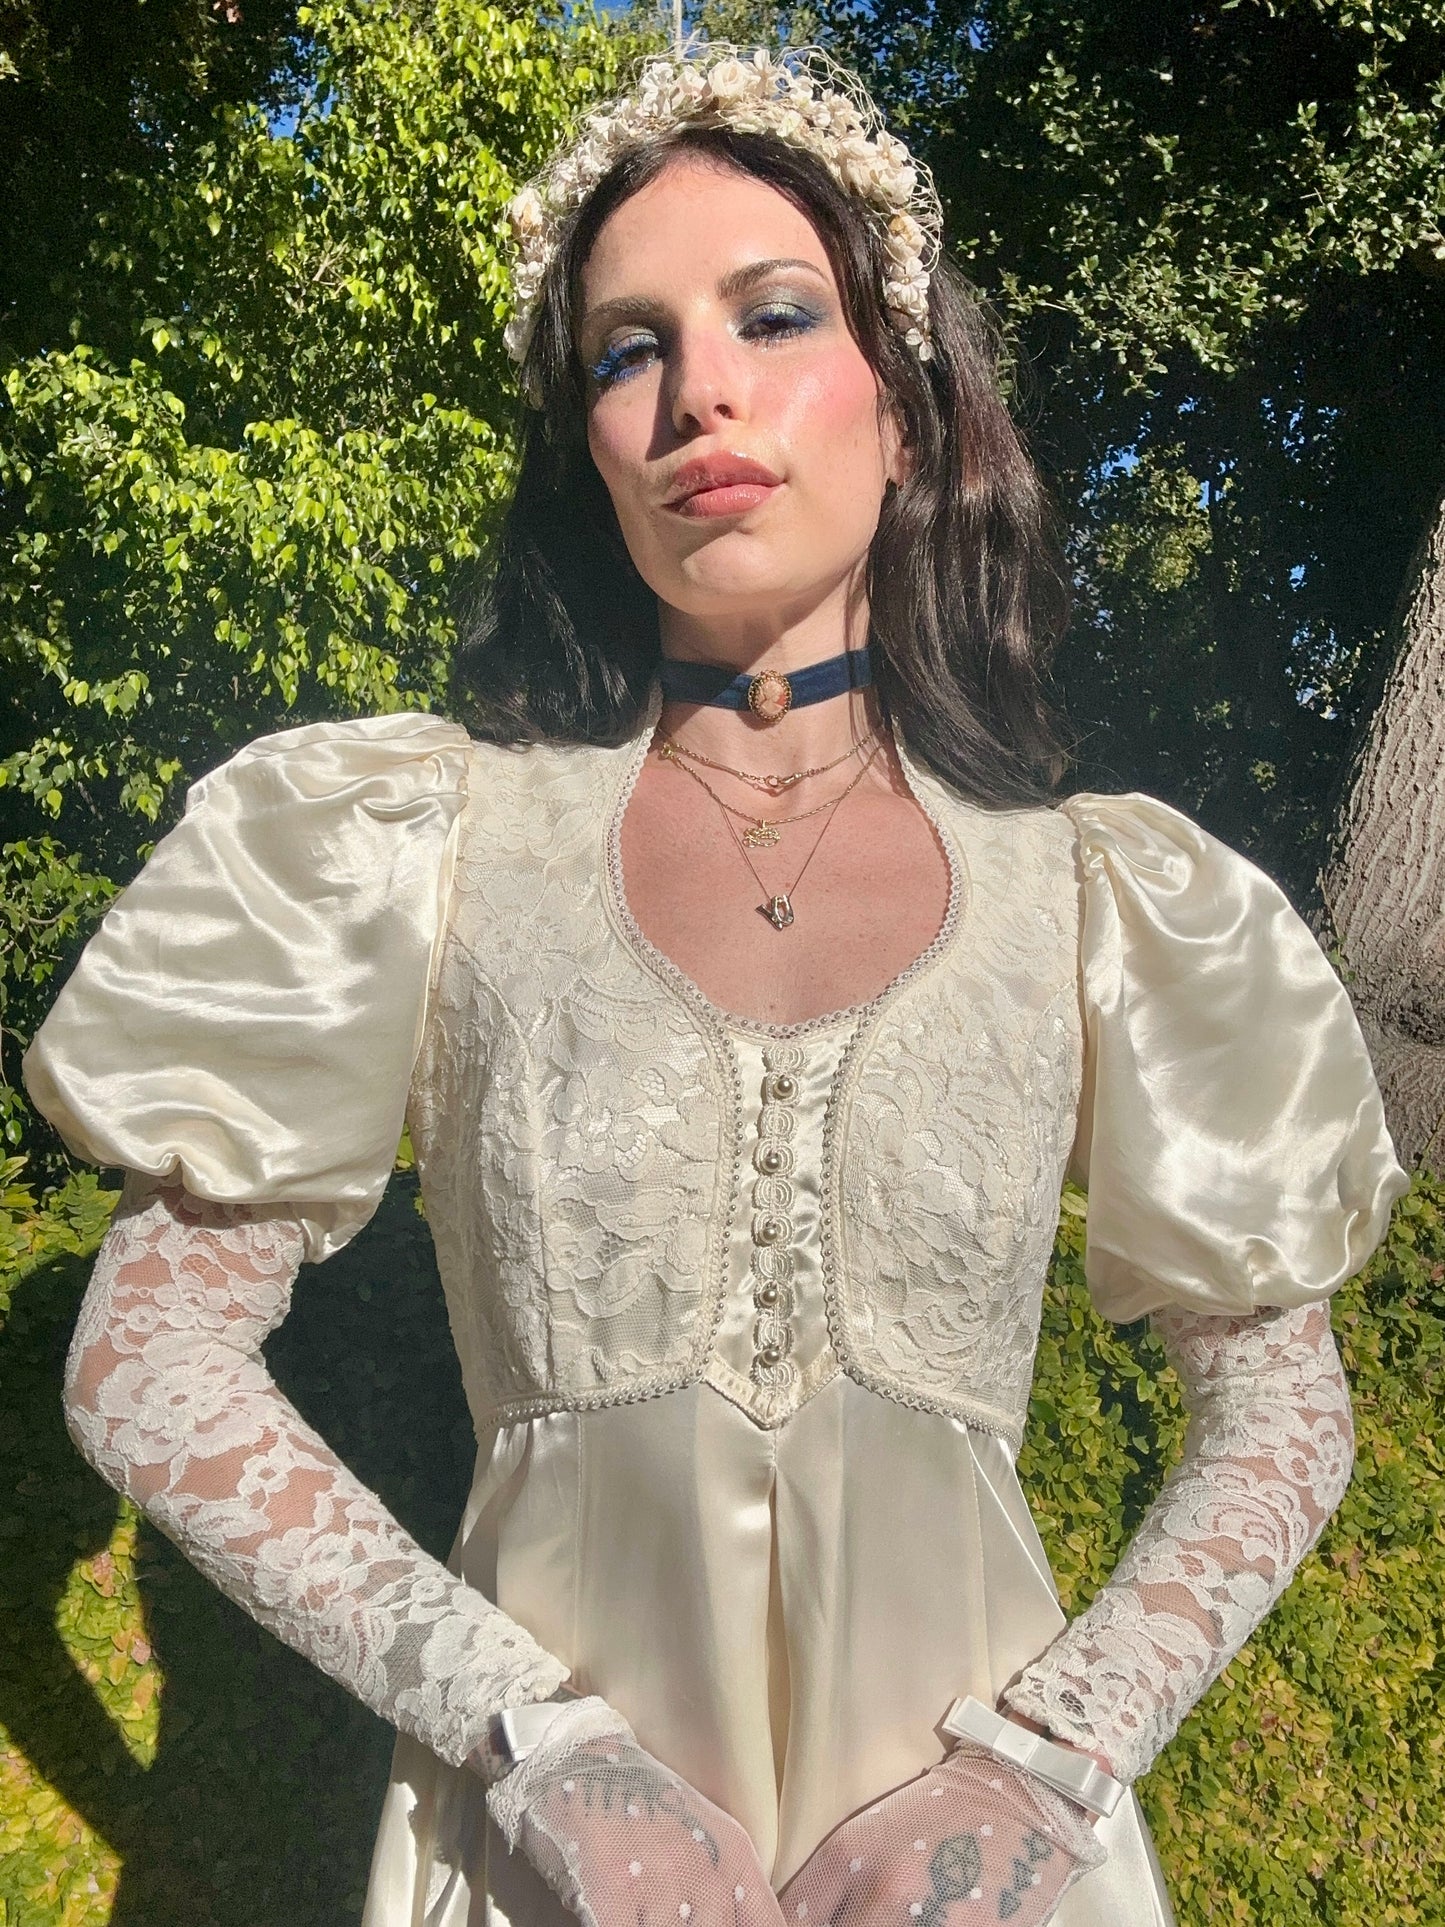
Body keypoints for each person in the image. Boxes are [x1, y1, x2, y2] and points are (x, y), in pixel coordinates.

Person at [23, 42, 1408, 1927]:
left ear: (908, 409)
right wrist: (536, 1744)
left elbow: (1277, 1411)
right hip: (541, 1856)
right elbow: (149, 1354)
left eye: (773, 313)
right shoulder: (413, 843)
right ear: (584, 443)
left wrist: (1042, 1768)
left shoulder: (1107, 900)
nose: (698, 394)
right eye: (624, 348)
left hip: (985, 1867)